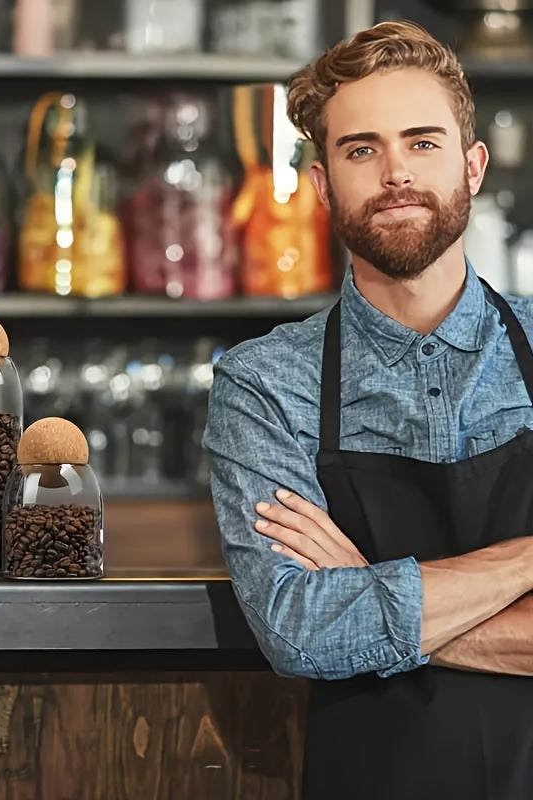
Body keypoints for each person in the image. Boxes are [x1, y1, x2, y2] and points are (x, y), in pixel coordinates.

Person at [203, 20, 533, 800]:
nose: (395, 173)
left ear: (473, 165)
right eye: (361, 150)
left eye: (423, 143)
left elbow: (337, 625)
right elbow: (300, 632)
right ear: (322, 184)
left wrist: (368, 592)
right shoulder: (261, 384)